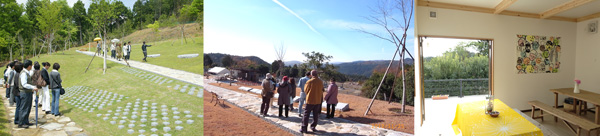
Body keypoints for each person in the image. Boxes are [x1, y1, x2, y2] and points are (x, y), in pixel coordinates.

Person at [18, 60, 38, 128]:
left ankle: (26, 121)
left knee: (28, 107)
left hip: (28, 92)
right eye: (31, 65)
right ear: (29, 66)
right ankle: (21, 123)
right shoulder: (24, 73)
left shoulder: (27, 72)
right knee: (24, 108)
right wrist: (33, 87)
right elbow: (24, 84)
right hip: (25, 93)